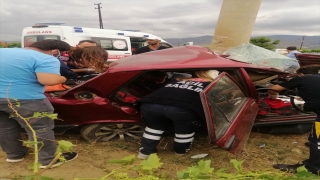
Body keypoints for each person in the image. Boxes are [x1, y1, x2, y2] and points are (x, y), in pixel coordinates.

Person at [0, 39, 78, 169]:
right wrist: (63, 78)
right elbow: (48, 80)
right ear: (55, 51)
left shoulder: (3, 51)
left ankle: (14, 155)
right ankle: (47, 159)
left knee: (4, 128)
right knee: (40, 128)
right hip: (27, 99)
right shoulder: (45, 58)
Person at [136, 70, 219, 159]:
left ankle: (145, 153)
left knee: (153, 129)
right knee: (184, 131)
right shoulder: (210, 85)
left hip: (151, 104)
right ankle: (180, 153)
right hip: (181, 108)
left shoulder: (179, 79)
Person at [268, 65, 320, 175]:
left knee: (317, 140)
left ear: (301, 74)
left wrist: (274, 96)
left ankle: (312, 168)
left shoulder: (301, 79)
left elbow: (274, 89)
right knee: (315, 134)